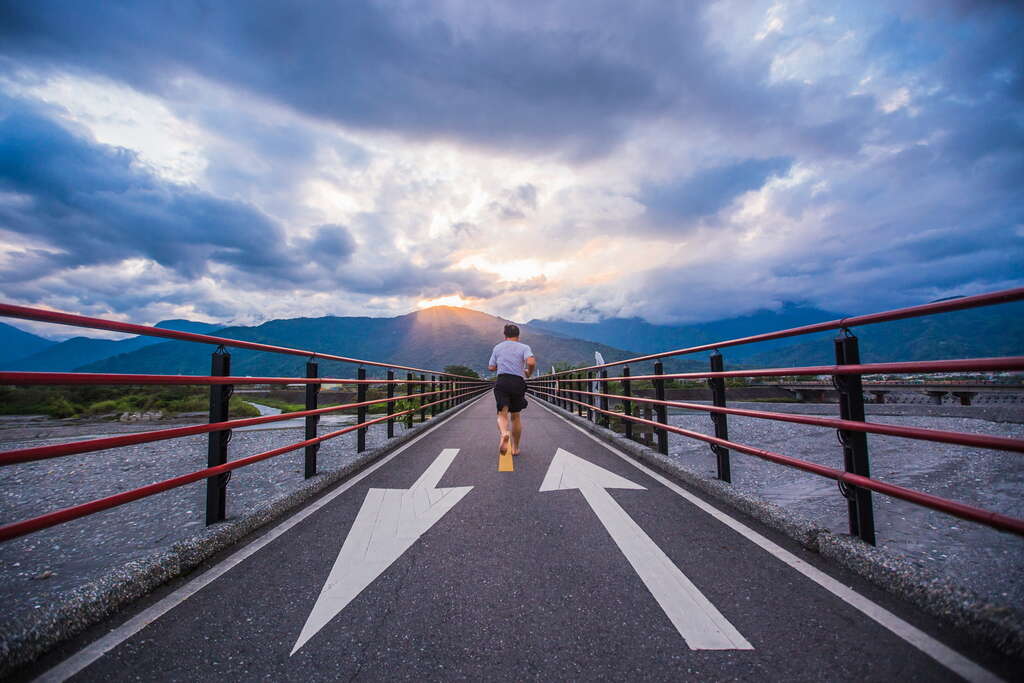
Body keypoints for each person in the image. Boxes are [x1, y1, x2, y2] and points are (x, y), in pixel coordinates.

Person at [488, 323, 536, 457]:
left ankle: (504, 433)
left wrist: (502, 364)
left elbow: (491, 367)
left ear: (505, 336)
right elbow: (531, 362)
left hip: (502, 381)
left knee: (502, 414)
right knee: (515, 416)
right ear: (518, 336)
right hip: (517, 382)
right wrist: (528, 372)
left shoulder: (498, 347)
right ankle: (515, 448)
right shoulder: (524, 347)